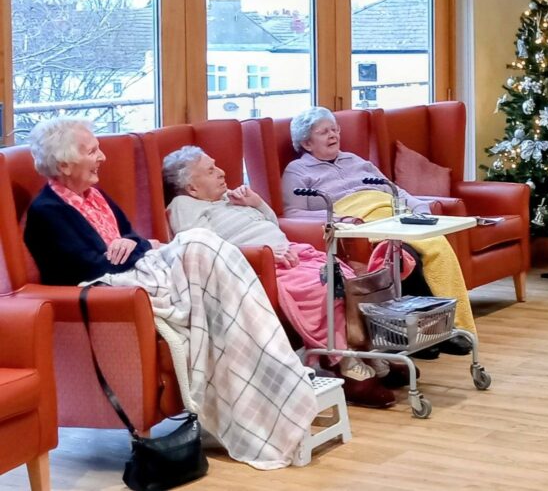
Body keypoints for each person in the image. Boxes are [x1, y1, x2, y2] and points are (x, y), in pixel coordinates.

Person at [22, 118, 316, 469]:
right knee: (198, 242)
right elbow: (88, 269)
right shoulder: (47, 212)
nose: (102, 157)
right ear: (65, 163)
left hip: (137, 270)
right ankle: (276, 374)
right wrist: (130, 248)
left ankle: (273, 372)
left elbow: (135, 239)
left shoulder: (95, 197)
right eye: (91, 151)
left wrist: (128, 244)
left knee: (204, 248)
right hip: (113, 290)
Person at [162, 146, 403, 407]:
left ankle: (363, 350)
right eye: (210, 170)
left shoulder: (227, 198)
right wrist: (263, 254)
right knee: (323, 288)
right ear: (192, 188)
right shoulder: (184, 205)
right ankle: (343, 363)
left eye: (216, 165)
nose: (221, 172)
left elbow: (272, 226)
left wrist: (256, 203)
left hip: (291, 255)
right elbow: (202, 248)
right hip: (258, 269)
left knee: (347, 278)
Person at [282, 107, 476, 355]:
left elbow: (393, 190)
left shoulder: (357, 161)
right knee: (405, 256)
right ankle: (418, 334)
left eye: (334, 129)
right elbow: (293, 215)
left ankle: (449, 327)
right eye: (324, 132)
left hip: (387, 214)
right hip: (356, 225)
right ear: (307, 143)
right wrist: (340, 218)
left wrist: (419, 207)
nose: (333, 135)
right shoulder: (298, 171)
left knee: (436, 244)